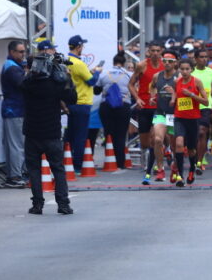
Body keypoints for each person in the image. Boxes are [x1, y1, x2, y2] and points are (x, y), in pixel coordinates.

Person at [21, 52, 78, 215]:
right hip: (51, 133)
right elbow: (72, 98)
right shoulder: (55, 84)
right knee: (58, 169)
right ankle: (63, 204)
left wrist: (31, 73)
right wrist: (66, 77)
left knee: (34, 170)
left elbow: (23, 83)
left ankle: (37, 204)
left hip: (32, 133)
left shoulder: (27, 84)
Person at [65, 35, 102, 172]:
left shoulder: (67, 60)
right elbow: (91, 81)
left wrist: (90, 72)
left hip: (72, 102)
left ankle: (68, 161)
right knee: (80, 136)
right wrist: (97, 72)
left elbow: (79, 77)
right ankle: (78, 165)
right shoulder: (79, 63)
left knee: (71, 135)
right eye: (82, 46)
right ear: (79, 47)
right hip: (82, 102)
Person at [128, 42, 164, 173]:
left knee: (156, 138)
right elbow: (131, 84)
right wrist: (137, 98)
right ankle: (145, 160)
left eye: (157, 51)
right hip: (144, 107)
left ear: (161, 52)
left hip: (159, 107)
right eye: (152, 51)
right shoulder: (142, 65)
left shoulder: (165, 66)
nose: (155, 53)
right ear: (148, 52)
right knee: (144, 142)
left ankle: (156, 164)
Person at [170, 59, 207, 187]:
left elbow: (206, 102)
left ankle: (192, 169)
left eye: (187, 69)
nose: (185, 72)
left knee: (191, 149)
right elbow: (175, 96)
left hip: (193, 119)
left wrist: (191, 94)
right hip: (179, 118)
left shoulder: (196, 82)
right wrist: (172, 99)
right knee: (179, 144)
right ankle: (180, 175)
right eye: (182, 69)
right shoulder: (177, 82)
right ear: (179, 69)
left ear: (192, 69)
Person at [144, 51, 178, 185]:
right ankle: (160, 169)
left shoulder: (179, 77)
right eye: (165, 61)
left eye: (170, 61)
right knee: (157, 139)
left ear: (175, 63)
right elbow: (152, 87)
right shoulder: (157, 76)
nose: (167, 64)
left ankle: (175, 165)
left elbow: (185, 93)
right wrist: (152, 97)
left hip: (174, 114)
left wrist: (174, 95)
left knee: (175, 143)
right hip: (160, 112)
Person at [97, 53, 132, 169]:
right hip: (123, 106)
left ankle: (109, 161)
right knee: (121, 135)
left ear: (113, 62)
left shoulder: (104, 74)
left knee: (109, 134)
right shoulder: (129, 74)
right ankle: (120, 163)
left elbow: (96, 90)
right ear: (124, 63)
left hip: (106, 106)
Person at [1, 40, 28, 187]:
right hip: (14, 110)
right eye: (20, 52)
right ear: (12, 52)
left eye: (24, 51)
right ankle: (15, 176)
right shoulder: (12, 68)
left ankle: (18, 174)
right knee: (17, 145)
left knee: (18, 144)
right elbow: (23, 84)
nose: (23, 54)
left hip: (17, 109)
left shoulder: (14, 66)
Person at [192, 48, 212, 174]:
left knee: (202, 132)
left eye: (206, 57)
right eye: (201, 57)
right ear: (196, 59)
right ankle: (194, 155)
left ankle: (199, 161)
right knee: (193, 135)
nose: (204, 59)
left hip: (206, 106)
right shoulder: (190, 72)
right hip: (191, 106)